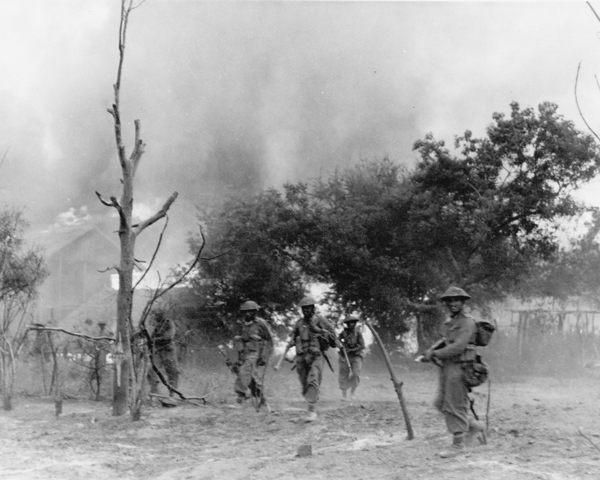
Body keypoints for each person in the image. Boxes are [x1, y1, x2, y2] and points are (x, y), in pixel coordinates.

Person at [421, 286, 485, 458]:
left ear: (463, 302)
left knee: (455, 405)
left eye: (457, 300)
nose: (453, 304)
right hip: (447, 367)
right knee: (440, 403)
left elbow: (458, 346)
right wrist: (430, 351)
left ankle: (458, 446)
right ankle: (472, 426)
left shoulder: (468, 322)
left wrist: (435, 354)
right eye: (450, 301)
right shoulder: (450, 322)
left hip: (461, 367)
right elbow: (445, 341)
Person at [285, 296, 336, 422]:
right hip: (302, 357)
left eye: (308, 308)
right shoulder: (299, 323)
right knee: (305, 384)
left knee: (313, 379)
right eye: (304, 309)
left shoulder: (321, 321)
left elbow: (333, 339)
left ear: (313, 308)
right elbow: (293, 336)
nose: (306, 311)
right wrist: (291, 341)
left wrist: (319, 330)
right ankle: (311, 403)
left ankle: (311, 411)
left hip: (316, 356)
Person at [233, 301, 274, 410]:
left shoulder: (261, 323)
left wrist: (265, 357)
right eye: (245, 312)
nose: (248, 314)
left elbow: (269, 340)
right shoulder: (242, 324)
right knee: (251, 377)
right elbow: (240, 340)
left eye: (251, 311)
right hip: (244, 354)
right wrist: (238, 355)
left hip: (256, 353)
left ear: (255, 312)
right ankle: (263, 401)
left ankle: (240, 397)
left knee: (244, 371)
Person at [147, 309, 180, 397]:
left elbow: (168, 337)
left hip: (168, 350)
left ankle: (173, 394)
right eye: (155, 315)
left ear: (162, 315)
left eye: (157, 315)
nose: (155, 317)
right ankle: (154, 393)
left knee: (172, 371)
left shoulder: (169, 323)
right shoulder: (156, 325)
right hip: (158, 350)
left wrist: (154, 339)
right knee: (152, 370)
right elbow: (151, 336)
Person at [338, 317, 365, 402]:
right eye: (349, 323)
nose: (351, 325)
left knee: (356, 374)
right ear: (347, 324)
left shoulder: (358, 333)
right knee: (343, 375)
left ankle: (352, 393)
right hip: (345, 356)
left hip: (356, 356)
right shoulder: (343, 333)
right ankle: (344, 395)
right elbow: (337, 341)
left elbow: (362, 345)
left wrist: (352, 350)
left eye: (353, 323)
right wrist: (341, 346)